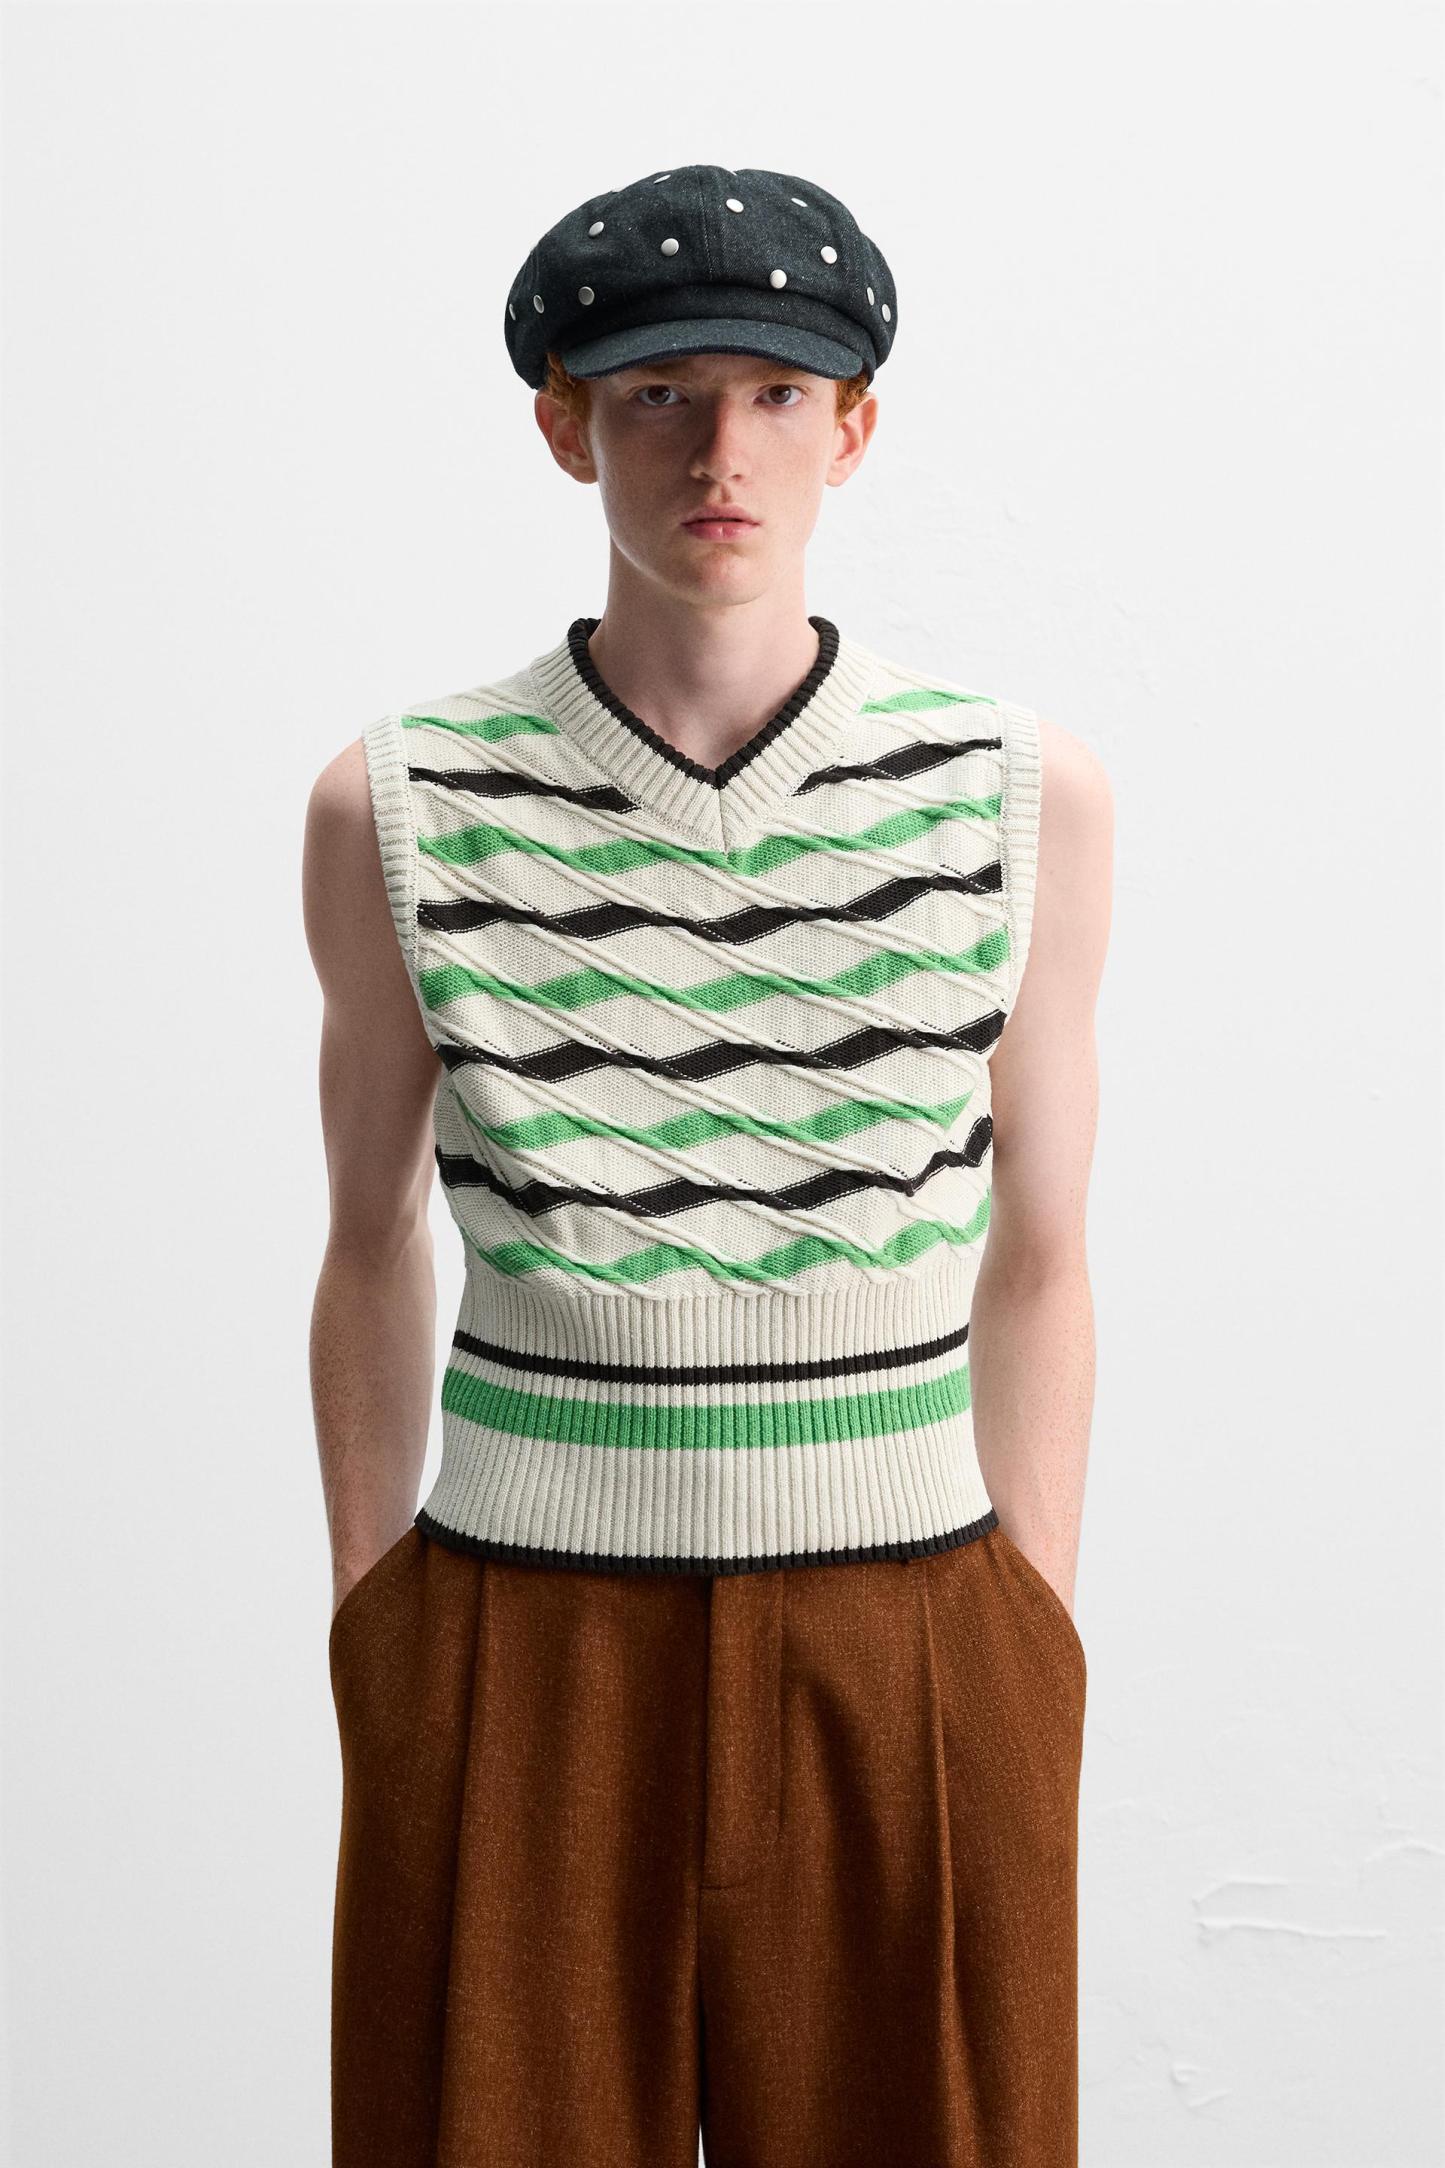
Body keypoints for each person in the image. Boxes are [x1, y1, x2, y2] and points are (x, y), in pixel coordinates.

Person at [302, 162, 1113, 2168]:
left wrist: (1027, 1633)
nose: (718, 453)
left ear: (854, 428)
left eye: (773, 395)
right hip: (521, 1631)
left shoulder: (1013, 792)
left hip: (910, 1634)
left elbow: (1042, 1253)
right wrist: (375, 1623)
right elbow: (367, 1237)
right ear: (565, 422)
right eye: (658, 394)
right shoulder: (403, 800)